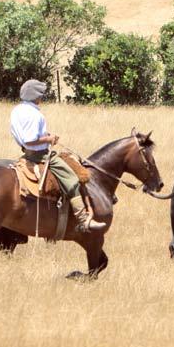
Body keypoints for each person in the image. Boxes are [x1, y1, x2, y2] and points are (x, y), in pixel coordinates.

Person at [10, 79, 105, 233]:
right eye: (41, 94)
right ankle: (82, 219)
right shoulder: (34, 114)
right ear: (36, 96)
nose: (42, 97)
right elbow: (30, 140)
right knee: (73, 180)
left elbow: (26, 137)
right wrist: (49, 139)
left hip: (26, 154)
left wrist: (45, 135)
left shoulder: (17, 110)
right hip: (39, 156)